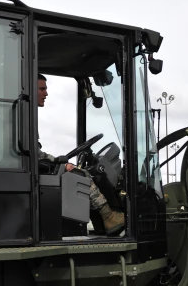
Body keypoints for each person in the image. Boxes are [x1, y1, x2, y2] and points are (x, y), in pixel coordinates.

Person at [37, 74, 124, 235]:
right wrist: (59, 164)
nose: (46, 93)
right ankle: (109, 215)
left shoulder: (26, 116)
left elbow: (37, 154)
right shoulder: (26, 117)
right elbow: (37, 157)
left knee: (76, 170)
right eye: (42, 89)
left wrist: (57, 160)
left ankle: (101, 224)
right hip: (38, 172)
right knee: (81, 174)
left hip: (38, 168)